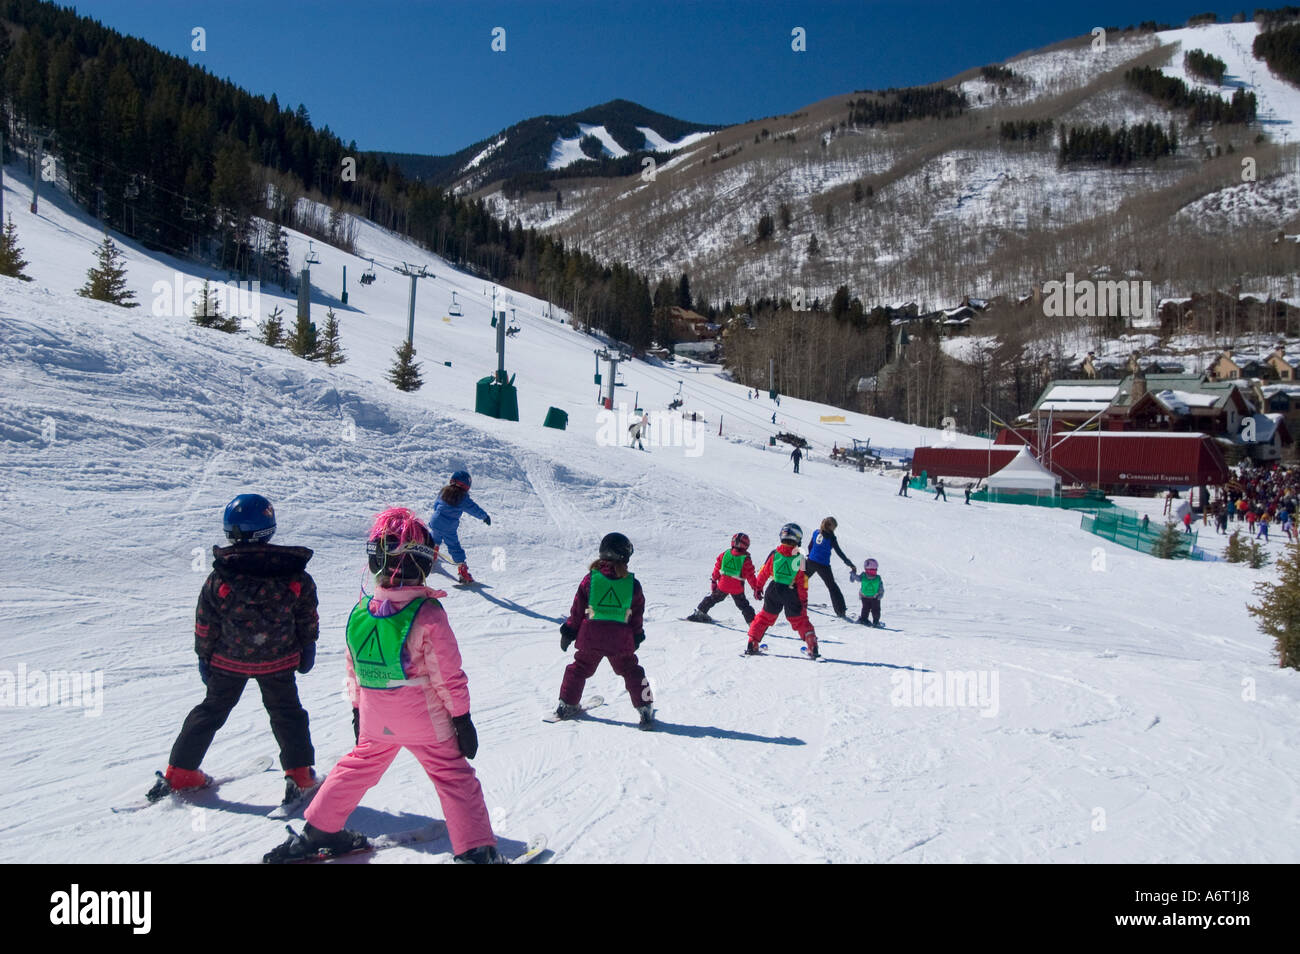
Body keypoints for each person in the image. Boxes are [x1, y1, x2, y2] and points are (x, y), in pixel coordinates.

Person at [265, 507, 501, 863]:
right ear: (422, 563)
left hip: (377, 718)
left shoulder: (361, 612)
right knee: (454, 776)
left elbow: (353, 668)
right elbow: (448, 676)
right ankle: (475, 851)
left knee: (356, 767)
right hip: (425, 721)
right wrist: (462, 718)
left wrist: (358, 709)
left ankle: (317, 833)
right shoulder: (428, 614)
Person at [152, 494, 319, 805]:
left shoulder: (220, 577)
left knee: (211, 710)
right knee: (287, 714)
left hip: (229, 661)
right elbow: (306, 614)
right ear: (269, 529)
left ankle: (182, 771)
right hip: (278, 660)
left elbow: (206, 621)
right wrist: (307, 644)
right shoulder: (294, 574)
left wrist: (205, 655)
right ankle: (299, 774)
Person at [555, 533, 654, 728]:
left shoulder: (590, 579)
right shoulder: (632, 584)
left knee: (578, 669)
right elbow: (637, 615)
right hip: (620, 641)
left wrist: (568, 631)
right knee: (633, 671)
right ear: (624, 556)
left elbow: (577, 609)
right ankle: (645, 708)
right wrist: (636, 636)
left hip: (590, 637)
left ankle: (566, 704)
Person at [746, 523, 819, 659]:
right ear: (797, 539)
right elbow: (803, 582)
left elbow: (763, 573)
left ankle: (752, 642)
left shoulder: (775, 554)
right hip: (791, 592)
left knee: (764, 617)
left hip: (773, 589)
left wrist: (758, 587)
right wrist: (803, 600)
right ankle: (812, 644)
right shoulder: (800, 558)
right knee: (799, 619)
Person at [430, 470, 491, 584]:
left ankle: (431, 554)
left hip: (435, 521)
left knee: (434, 537)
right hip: (449, 527)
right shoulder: (463, 498)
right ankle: (463, 572)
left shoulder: (444, 491)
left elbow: (436, 505)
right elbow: (474, 509)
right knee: (454, 547)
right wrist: (485, 517)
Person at [687, 533, 761, 624]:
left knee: (713, 598)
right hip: (737, 588)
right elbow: (750, 576)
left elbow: (717, 568)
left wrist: (714, 581)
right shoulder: (745, 559)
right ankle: (753, 624)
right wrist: (756, 588)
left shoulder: (725, 554)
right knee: (743, 605)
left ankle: (700, 613)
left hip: (723, 585)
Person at [805, 518, 855, 617]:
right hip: (823, 565)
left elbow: (810, 546)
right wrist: (850, 564)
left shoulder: (816, 532)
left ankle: (792, 600)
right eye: (834, 527)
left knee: (800, 581)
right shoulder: (831, 537)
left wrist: (810, 556)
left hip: (810, 561)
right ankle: (840, 611)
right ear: (830, 526)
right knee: (832, 587)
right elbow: (839, 552)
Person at [857, 558, 885, 628]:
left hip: (864, 596)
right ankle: (876, 622)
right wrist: (880, 595)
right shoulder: (878, 578)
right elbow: (881, 588)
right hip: (875, 597)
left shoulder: (863, 575)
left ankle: (863, 619)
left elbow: (857, 579)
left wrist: (853, 574)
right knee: (876, 610)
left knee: (865, 608)